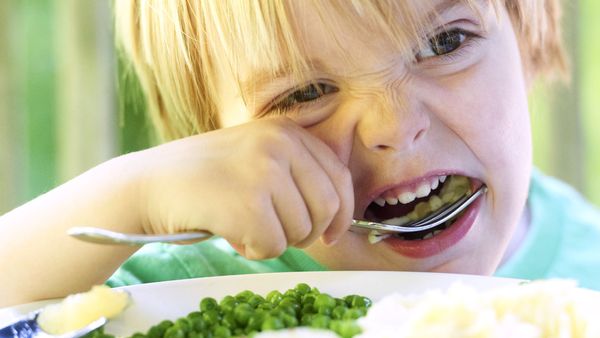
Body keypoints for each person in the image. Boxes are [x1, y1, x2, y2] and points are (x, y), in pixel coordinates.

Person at [1, 0, 599, 308]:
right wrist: (133, 194)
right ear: (215, 136)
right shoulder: (187, 287)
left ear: (527, 31)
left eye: (446, 42)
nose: (394, 127)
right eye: (306, 94)